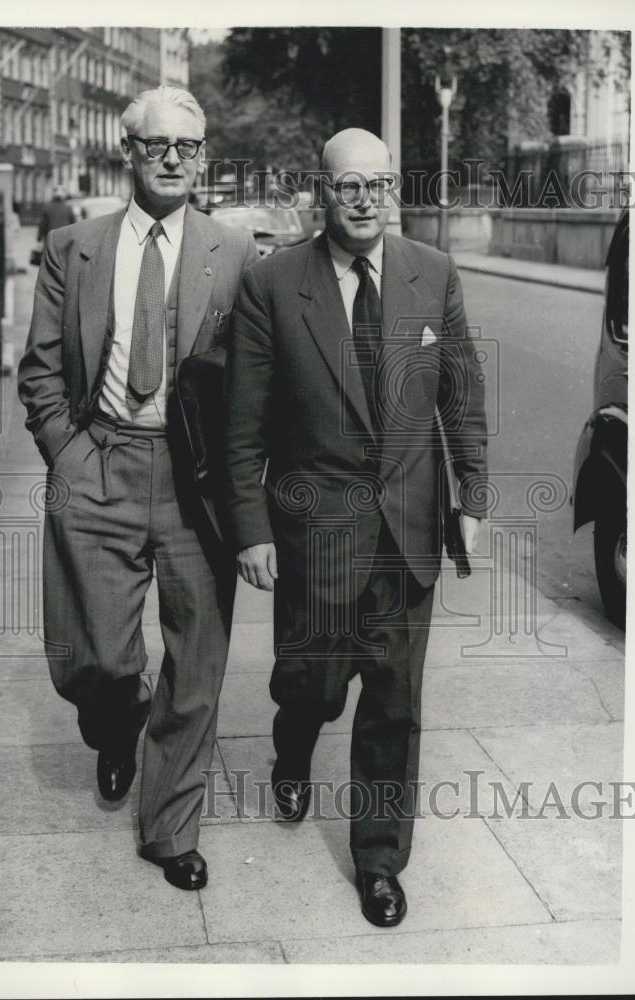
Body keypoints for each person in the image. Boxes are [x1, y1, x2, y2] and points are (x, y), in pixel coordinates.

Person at [223, 128, 488, 927]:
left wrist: (470, 498)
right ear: (322, 193)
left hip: (408, 533)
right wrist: (250, 528)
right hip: (315, 536)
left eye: (380, 184)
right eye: (349, 186)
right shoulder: (273, 285)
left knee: (395, 706)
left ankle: (379, 861)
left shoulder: (432, 273)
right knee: (315, 685)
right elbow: (243, 425)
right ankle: (294, 745)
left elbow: (462, 395)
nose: (367, 199)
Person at [18, 86, 258, 891]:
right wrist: (71, 457)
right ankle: (115, 727)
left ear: (203, 157)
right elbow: (40, 371)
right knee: (94, 661)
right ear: (128, 150)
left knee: (198, 664)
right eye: (156, 144)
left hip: (197, 483)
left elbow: (255, 383)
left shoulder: (235, 251)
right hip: (101, 462)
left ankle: (170, 830)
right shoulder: (74, 247)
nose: (172, 159)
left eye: (187, 147)